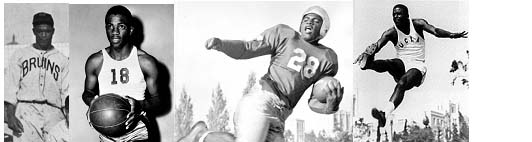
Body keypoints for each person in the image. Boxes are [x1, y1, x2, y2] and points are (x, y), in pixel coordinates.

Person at [179, 6, 344, 142]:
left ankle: (202, 135)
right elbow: (247, 48)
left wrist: (330, 106)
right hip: (262, 100)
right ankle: (201, 136)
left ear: (323, 29)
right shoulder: (285, 34)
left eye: (316, 21)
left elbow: (314, 102)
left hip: (281, 114)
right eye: (306, 19)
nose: (309, 22)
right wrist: (222, 44)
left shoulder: (328, 58)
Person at [353, 3, 468, 139]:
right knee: (390, 63)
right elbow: (377, 45)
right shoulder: (391, 32)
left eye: (399, 13)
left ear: (407, 15)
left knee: (401, 83)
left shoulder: (418, 24)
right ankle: (368, 65)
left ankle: (385, 113)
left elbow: (435, 31)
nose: (396, 16)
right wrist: (367, 53)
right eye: (394, 14)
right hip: (401, 63)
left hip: (417, 67)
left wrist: (451, 35)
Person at [82, 5, 161, 142]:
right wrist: (94, 102)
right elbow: (87, 93)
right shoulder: (95, 61)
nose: (115, 31)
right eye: (110, 26)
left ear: (130, 30)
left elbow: (158, 100)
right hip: (108, 132)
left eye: (121, 26)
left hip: (138, 129)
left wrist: (139, 105)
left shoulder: (146, 62)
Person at [4, 12, 69, 142]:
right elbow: (10, 89)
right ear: (34, 31)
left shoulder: (62, 60)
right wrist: (10, 116)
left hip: (54, 113)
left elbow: (66, 93)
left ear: (53, 31)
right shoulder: (20, 55)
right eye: (40, 31)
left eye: (47, 31)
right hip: (27, 111)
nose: (43, 35)